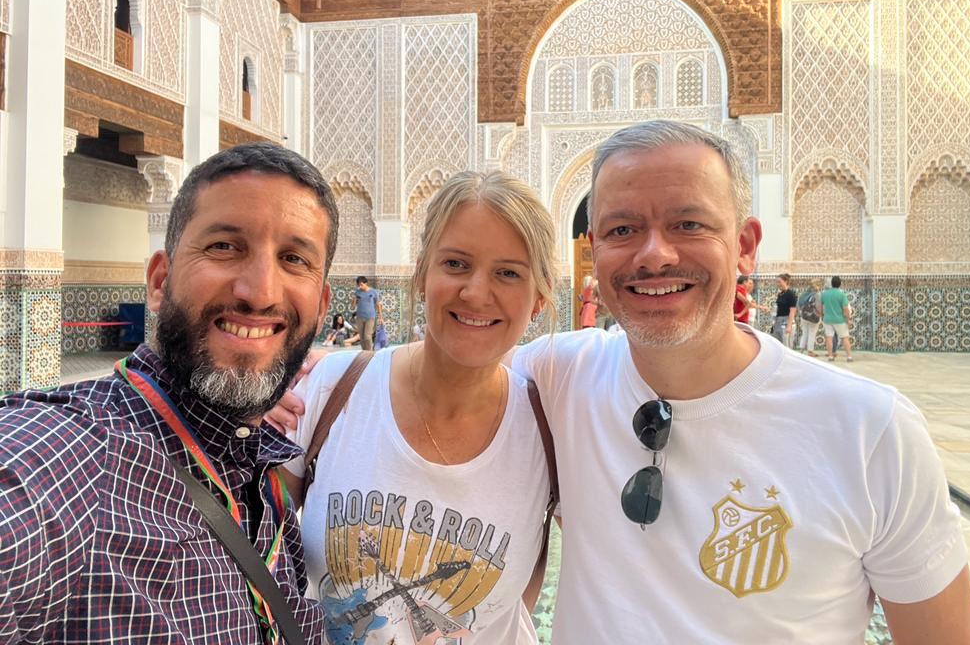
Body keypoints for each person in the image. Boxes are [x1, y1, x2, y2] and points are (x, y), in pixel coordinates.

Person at [508, 121, 970, 643]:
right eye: (623, 230)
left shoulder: (870, 432)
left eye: (688, 224)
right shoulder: (554, 378)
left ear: (745, 245)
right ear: (594, 250)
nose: (654, 254)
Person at [0, 143, 337, 643]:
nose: (261, 291)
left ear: (322, 304)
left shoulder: (261, 473)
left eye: (293, 258)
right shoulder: (70, 460)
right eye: (225, 246)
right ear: (159, 281)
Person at [281, 171, 558, 645]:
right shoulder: (331, 389)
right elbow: (253, 554)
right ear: (421, 275)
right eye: (455, 263)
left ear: (539, 299)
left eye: (508, 272)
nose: (475, 292)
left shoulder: (551, 425)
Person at [821, 275, 854, 362]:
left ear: (831, 283)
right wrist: (849, 319)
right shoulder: (841, 294)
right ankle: (849, 356)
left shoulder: (824, 294)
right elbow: (845, 309)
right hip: (840, 320)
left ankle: (830, 356)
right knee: (844, 338)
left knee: (829, 337)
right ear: (840, 284)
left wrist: (823, 315)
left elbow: (821, 307)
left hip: (827, 319)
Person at [351, 275, 383, 351]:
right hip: (360, 317)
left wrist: (381, 318)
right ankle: (364, 351)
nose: (360, 287)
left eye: (361, 284)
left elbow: (378, 305)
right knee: (362, 337)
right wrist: (354, 298)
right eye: (359, 285)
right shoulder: (357, 292)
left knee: (367, 336)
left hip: (370, 317)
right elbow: (353, 306)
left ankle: (369, 353)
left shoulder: (374, 292)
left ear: (366, 283)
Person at [796, 277, 824, 357]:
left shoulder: (803, 294)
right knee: (812, 333)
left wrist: (802, 313)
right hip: (813, 317)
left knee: (804, 333)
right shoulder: (817, 294)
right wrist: (820, 314)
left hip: (804, 316)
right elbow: (819, 307)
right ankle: (810, 352)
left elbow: (798, 305)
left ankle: (801, 350)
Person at [771, 272, 798, 348]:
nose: (778, 284)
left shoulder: (791, 294)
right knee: (779, 345)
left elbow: (792, 311)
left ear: (785, 282)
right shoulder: (780, 294)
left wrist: (789, 326)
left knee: (787, 346)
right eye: (777, 282)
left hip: (786, 322)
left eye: (779, 282)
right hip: (778, 321)